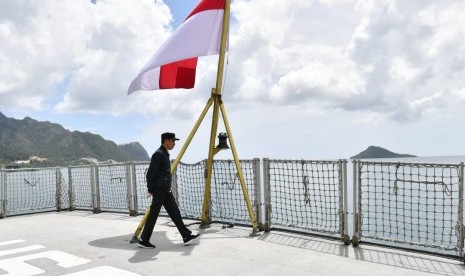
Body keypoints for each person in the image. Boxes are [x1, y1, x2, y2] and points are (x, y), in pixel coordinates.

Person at [138, 132, 200, 249]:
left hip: (165, 190)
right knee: (153, 215)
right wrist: (151, 189)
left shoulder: (165, 153)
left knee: (175, 213)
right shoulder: (158, 154)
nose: (174, 143)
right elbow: (150, 174)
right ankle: (143, 240)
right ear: (166, 141)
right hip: (160, 191)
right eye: (173, 141)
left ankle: (186, 236)